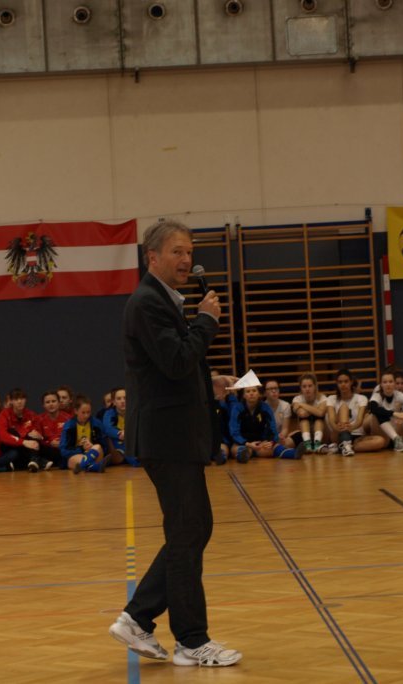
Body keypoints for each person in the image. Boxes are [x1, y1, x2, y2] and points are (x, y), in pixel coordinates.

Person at [108, 219, 241, 667]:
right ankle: (190, 639)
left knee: (194, 529)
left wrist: (209, 382)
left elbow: (171, 368)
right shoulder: (148, 302)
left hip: (175, 435)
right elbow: (178, 359)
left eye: (190, 252)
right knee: (187, 533)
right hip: (167, 438)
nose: (187, 260)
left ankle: (138, 618)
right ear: (153, 257)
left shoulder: (161, 300)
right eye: (177, 252)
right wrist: (207, 321)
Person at [228, 384, 297, 462]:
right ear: (244, 395)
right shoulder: (237, 408)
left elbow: (272, 428)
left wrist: (271, 442)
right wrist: (248, 444)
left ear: (259, 394)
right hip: (243, 442)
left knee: (273, 447)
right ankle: (246, 453)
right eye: (248, 391)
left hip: (260, 442)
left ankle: (291, 453)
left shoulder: (265, 408)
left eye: (254, 391)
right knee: (234, 450)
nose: (251, 393)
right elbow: (234, 432)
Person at [325, 368, 384, 456]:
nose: (343, 384)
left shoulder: (361, 398)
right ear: (337, 383)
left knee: (380, 441)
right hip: (338, 433)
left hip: (356, 435)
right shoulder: (331, 399)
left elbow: (359, 420)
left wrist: (350, 428)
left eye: (346, 381)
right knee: (344, 407)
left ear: (351, 382)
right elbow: (331, 420)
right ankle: (344, 442)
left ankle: (346, 447)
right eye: (340, 382)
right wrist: (340, 429)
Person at [367, 370, 403, 452]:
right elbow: (373, 408)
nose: (388, 384)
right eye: (385, 382)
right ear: (381, 384)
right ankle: (396, 439)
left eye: (390, 382)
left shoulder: (398, 394)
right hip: (382, 433)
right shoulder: (377, 395)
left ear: (394, 384)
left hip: (396, 429)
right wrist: (394, 413)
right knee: (379, 412)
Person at [0, 388, 43, 472]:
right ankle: (37, 460)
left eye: (22, 398)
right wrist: (24, 442)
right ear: (11, 401)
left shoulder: (31, 414)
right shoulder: (4, 414)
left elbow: (39, 432)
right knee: (13, 435)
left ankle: (33, 461)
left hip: (29, 446)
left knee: (33, 435)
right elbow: (3, 436)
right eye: (16, 399)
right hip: (10, 447)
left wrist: (39, 436)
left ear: (26, 400)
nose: (19, 401)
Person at [59, 395, 109, 473]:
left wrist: (92, 447)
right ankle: (94, 466)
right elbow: (63, 450)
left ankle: (85, 465)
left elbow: (104, 447)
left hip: (94, 453)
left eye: (88, 412)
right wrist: (82, 449)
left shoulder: (97, 424)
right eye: (83, 412)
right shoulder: (69, 426)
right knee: (74, 460)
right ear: (76, 411)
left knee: (97, 447)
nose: (86, 415)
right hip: (77, 455)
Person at [290, 373, 329, 454]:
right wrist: (316, 410)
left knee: (319, 420)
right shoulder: (297, 399)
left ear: (315, 386)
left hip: (322, 433)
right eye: (304, 386)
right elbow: (302, 414)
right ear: (301, 388)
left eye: (310, 386)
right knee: (304, 420)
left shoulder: (322, 398)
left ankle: (317, 444)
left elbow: (321, 413)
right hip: (305, 433)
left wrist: (302, 405)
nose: (307, 389)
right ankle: (307, 445)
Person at [103, 387, 137, 466]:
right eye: (119, 399)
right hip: (116, 442)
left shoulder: (134, 413)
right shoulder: (109, 413)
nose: (122, 401)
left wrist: (127, 433)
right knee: (134, 461)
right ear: (114, 402)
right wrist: (119, 434)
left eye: (125, 398)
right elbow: (107, 428)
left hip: (130, 440)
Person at [37, 390, 69, 469]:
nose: (51, 404)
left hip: (63, 449)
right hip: (48, 450)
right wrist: (50, 443)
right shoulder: (39, 419)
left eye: (53, 401)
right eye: (47, 402)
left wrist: (62, 443)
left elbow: (72, 437)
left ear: (59, 403)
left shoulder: (68, 418)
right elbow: (39, 439)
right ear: (43, 405)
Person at [263, 379, 292, 445]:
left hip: (280, 437)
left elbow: (285, 429)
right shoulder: (261, 407)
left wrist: (280, 437)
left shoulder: (286, 405)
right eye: (270, 389)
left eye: (276, 388)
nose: (274, 391)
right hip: (266, 438)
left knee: (294, 437)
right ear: (264, 393)